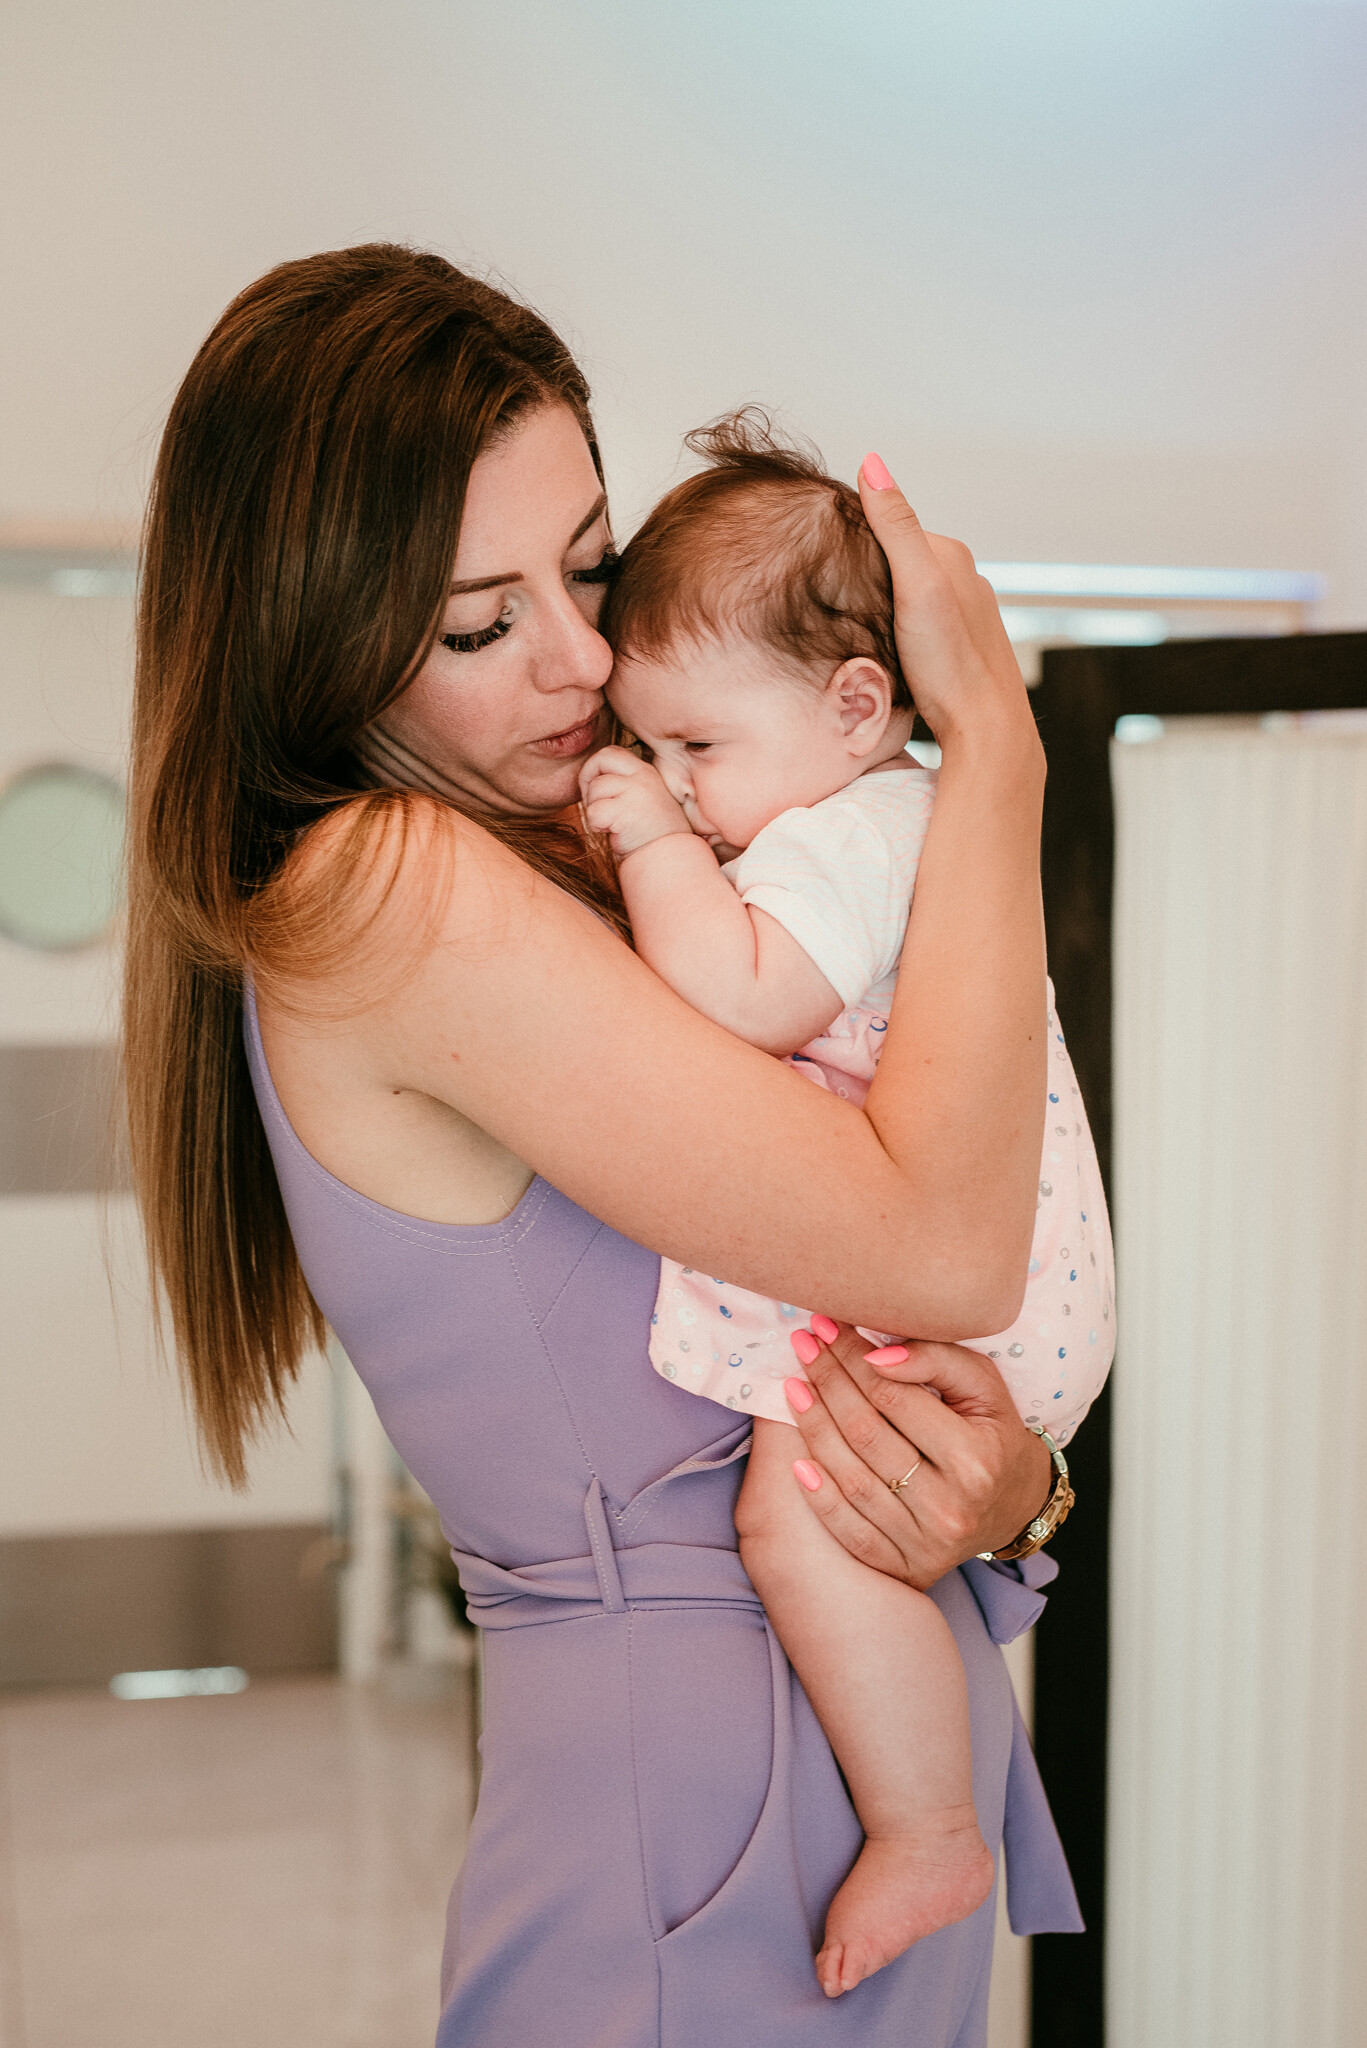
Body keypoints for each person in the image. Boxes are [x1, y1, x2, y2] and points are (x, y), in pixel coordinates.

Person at [123, 243, 1082, 2048]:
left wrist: (1013, 1496)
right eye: (478, 626)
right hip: (701, 1833)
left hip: (824, 1781)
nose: (584, 661)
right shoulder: (391, 887)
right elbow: (951, 1246)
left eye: (587, 568)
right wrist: (999, 753)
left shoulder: (610, 852)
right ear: (318, 648)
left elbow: (892, 1319)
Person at [579, 411, 1114, 1996]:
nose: (679, 787)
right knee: (814, 1521)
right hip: (992, 1287)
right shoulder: (870, 810)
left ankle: (930, 1825)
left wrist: (652, 849)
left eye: (697, 748)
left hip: (975, 1299)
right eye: (653, 752)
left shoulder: (855, 833)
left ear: (857, 705)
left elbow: (747, 993)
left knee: (789, 1520)